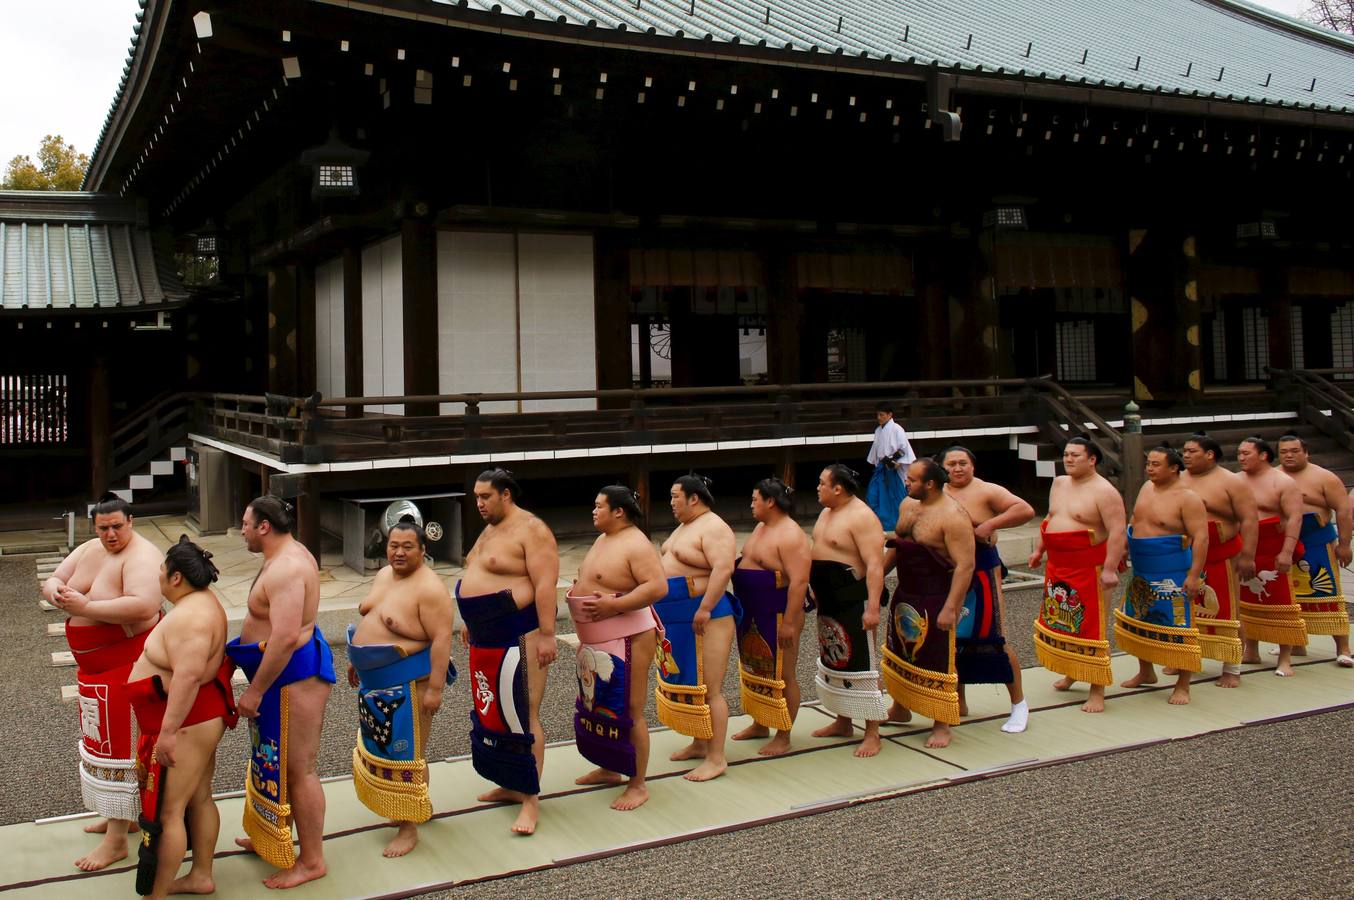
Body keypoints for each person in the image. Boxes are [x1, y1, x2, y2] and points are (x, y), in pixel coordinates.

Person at [43, 492, 163, 871]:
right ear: (94, 527)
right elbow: (55, 578)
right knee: (101, 743)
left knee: (122, 749)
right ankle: (120, 817)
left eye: (117, 526)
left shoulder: (143, 556)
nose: (110, 534)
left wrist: (87, 608)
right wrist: (55, 593)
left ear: (131, 522)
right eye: (103, 528)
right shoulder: (89, 549)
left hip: (127, 665)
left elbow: (144, 605)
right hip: (93, 671)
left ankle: (116, 841)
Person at [226, 496, 334, 889]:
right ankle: (271, 832)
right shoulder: (284, 554)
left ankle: (312, 860)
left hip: (293, 676)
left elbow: (286, 637)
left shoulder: (287, 567)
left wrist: (253, 692)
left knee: (298, 768)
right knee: (270, 760)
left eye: (245, 523)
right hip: (279, 675)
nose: (242, 530)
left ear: (264, 527)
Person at [126, 537, 237, 900]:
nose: (157, 578)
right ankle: (201, 875)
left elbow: (188, 676)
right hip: (198, 715)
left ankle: (154, 895)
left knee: (169, 812)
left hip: (188, 722)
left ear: (176, 578)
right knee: (199, 798)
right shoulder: (202, 604)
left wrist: (168, 733)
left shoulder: (192, 617)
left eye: (161, 572)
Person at [454, 469, 559, 834]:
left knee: (524, 713)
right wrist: (470, 619)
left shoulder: (532, 530)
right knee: (494, 713)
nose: (479, 503)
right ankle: (510, 783)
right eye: (477, 497)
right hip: (486, 634)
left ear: (506, 495)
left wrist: (548, 634)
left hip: (520, 633)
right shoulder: (490, 529)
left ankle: (531, 798)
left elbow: (546, 584)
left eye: (485, 497)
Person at [347, 516, 455, 855]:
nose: (399, 552)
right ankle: (413, 809)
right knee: (389, 752)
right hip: (375, 685)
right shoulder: (382, 575)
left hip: (409, 686)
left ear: (423, 550)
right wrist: (357, 660)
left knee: (409, 756)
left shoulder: (430, 589)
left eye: (408, 547)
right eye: (394, 545)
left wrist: (436, 688)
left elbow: (441, 640)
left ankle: (409, 829)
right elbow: (372, 617)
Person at [568, 485, 668, 810]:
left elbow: (657, 586)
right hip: (596, 636)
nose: (594, 512)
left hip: (628, 635)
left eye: (599, 507)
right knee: (598, 703)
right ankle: (610, 767)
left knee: (630, 710)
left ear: (618, 511)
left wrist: (615, 606)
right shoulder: (603, 538)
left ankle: (638, 784)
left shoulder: (636, 544)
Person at [941, 446, 1036, 733]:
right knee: (950, 637)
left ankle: (1019, 704)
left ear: (973, 466)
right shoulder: (937, 493)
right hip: (946, 570)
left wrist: (990, 525)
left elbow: (1025, 510)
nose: (957, 469)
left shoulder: (986, 490)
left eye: (963, 463)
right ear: (942, 468)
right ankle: (958, 701)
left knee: (993, 636)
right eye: (951, 464)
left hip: (981, 569)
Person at [882, 458, 975, 749]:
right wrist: (875, 579)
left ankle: (942, 722)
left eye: (912, 479)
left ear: (930, 484)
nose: (906, 482)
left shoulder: (953, 516)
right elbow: (899, 545)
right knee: (900, 651)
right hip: (906, 589)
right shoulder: (908, 505)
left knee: (938, 657)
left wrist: (951, 607)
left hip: (937, 593)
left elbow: (965, 566)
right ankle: (901, 706)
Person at [1029, 437, 1126, 713]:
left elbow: (1118, 531)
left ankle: (1098, 690)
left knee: (1093, 627)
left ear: (1092, 459)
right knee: (1064, 622)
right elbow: (1050, 517)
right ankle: (1072, 671)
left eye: (1075, 455)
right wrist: (1039, 550)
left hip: (1090, 567)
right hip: (1058, 566)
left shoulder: (1105, 492)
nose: (1069, 459)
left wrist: (1109, 569)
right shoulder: (1059, 483)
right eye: (1066, 454)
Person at [655, 474, 740, 782]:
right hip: (677, 615)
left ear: (693, 498)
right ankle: (699, 741)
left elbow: (723, 568)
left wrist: (704, 608)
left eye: (675, 496)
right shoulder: (685, 527)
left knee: (710, 688)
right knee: (690, 682)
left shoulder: (714, 527)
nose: (672, 502)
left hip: (708, 615)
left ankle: (717, 758)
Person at [807, 465, 891, 757]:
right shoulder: (826, 512)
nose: (818, 488)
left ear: (838, 488)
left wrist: (873, 607)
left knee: (863, 662)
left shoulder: (862, 516)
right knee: (835, 658)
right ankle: (843, 720)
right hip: (829, 598)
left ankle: (872, 731)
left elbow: (875, 565)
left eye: (822, 483)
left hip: (855, 599)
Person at [1117, 446, 1209, 706]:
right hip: (1142, 565)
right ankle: (1146, 671)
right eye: (1148, 463)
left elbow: (1201, 538)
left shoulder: (1188, 498)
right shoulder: (1147, 487)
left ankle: (1183, 684)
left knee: (1179, 623)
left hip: (1173, 569)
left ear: (1174, 468)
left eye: (1156, 464)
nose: (1149, 468)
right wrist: (1125, 546)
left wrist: (1194, 576)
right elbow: (1136, 519)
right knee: (1140, 617)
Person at [730, 477, 812, 756]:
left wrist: (789, 623)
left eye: (755, 500)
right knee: (756, 668)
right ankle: (760, 723)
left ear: (770, 502)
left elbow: (800, 582)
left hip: (777, 611)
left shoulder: (791, 534)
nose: (751, 505)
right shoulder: (762, 527)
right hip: (751, 609)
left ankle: (784, 734)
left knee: (783, 674)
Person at [1177, 432, 1258, 687]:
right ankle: (1184, 659)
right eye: (1184, 451)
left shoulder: (1232, 482)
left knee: (1229, 608)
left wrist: (1248, 556)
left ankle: (1232, 667)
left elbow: (1249, 519)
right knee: (1183, 609)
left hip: (1222, 553)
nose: (1186, 455)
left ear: (1210, 454)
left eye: (1192, 451)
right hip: (1187, 554)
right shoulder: (1177, 479)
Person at [1276, 435, 1353, 667]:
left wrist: (1345, 544)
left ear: (1306, 452)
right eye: (1283, 451)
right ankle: (1296, 643)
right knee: (1287, 596)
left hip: (1316, 540)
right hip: (1283, 544)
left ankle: (1343, 647)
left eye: (1294, 450)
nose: (1288, 455)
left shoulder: (1324, 477)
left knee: (1327, 592)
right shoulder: (1273, 477)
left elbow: (1343, 511)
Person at [1235, 437, 1307, 676]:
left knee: (1281, 602)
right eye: (1239, 454)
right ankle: (1251, 650)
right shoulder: (1236, 481)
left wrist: (1287, 552)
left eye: (1247, 453)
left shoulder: (1283, 482)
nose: (1241, 458)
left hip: (1274, 546)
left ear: (1263, 455)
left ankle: (1285, 657)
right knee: (1246, 601)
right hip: (1245, 546)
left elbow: (1295, 518)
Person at [865, 402, 916, 532]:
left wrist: (897, 462)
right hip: (882, 468)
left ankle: (900, 524)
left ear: (889, 415)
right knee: (873, 495)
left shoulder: (897, 429)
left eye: (881, 415)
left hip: (894, 467)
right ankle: (880, 523)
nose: (879, 417)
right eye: (877, 415)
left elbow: (903, 449)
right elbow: (876, 450)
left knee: (895, 498)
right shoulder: (878, 430)